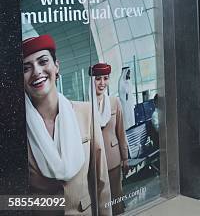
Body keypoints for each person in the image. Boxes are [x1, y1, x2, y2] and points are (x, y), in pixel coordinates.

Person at [22, 35, 111, 215]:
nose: (37, 71)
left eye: (43, 61)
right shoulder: (17, 130)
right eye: (26, 68)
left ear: (57, 66)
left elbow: (102, 183)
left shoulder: (86, 113)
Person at [91, 63, 129, 215]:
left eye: (105, 78)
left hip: (114, 159)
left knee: (116, 196)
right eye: (98, 78)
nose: (102, 83)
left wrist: (125, 158)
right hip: (96, 162)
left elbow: (121, 132)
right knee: (101, 200)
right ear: (92, 80)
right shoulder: (87, 105)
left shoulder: (115, 102)